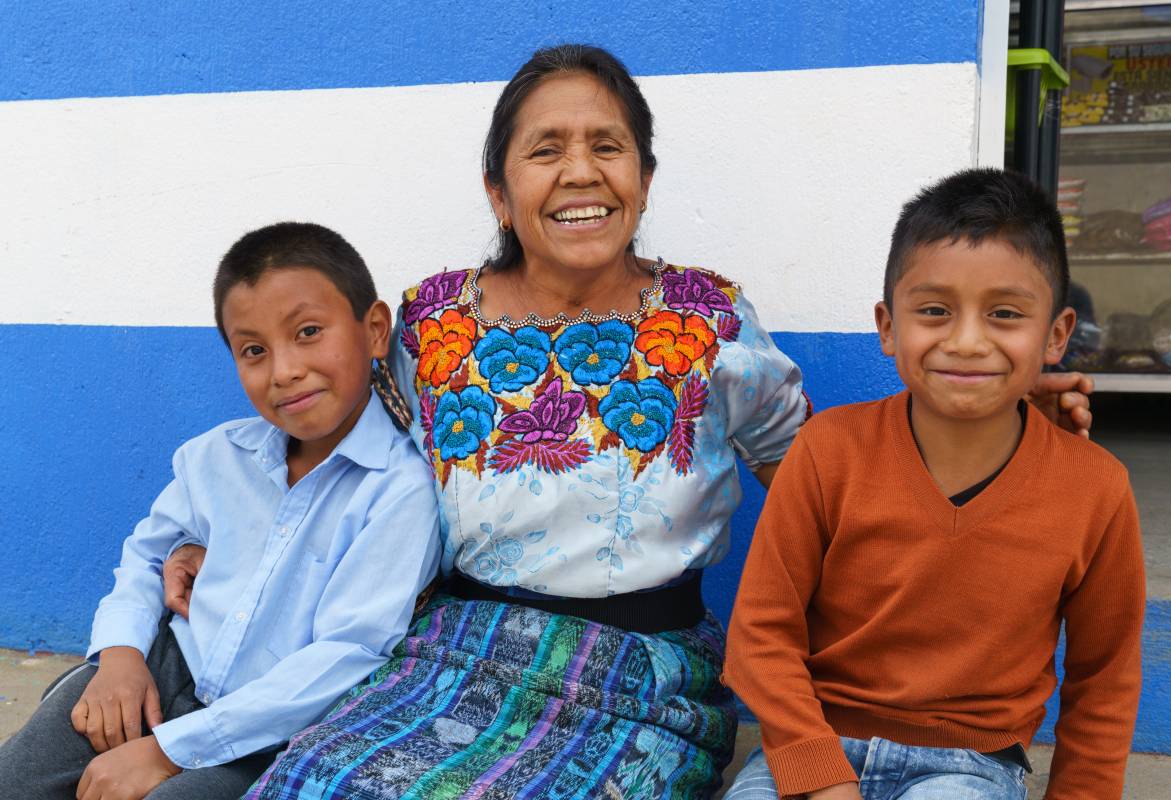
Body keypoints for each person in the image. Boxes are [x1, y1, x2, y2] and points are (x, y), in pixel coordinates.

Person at [164, 48, 1094, 800]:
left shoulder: (712, 320)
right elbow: (352, 455)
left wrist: (990, 419)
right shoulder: (429, 323)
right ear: (498, 190)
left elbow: (823, 476)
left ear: (643, 180)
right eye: (546, 149)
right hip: (448, 652)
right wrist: (245, 539)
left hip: (642, 682)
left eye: (607, 146)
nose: (581, 171)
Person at [721, 169, 1144, 800]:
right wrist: (820, 774)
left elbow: (1104, 674)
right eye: (935, 311)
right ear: (888, 327)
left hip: (970, 766)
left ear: (1056, 335)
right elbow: (761, 630)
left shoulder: (1095, 490)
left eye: (1004, 314)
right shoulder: (828, 450)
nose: (967, 341)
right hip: (814, 740)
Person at [0, 223, 440, 800]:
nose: (283, 370)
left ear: (375, 330)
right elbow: (145, 555)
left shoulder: (399, 488)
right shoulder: (215, 457)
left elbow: (347, 654)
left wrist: (165, 751)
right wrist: (121, 657)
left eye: (308, 332)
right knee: (16, 778)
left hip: (277, 728)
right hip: (166, 670)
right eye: (254, 350)